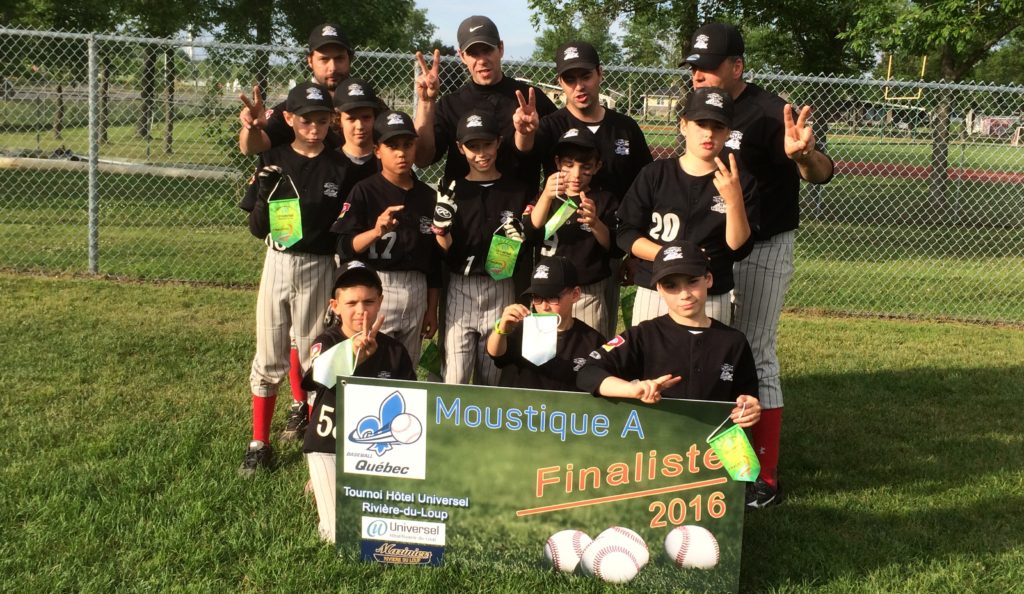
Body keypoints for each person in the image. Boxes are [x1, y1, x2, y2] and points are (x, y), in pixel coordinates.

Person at [683, 22, 835, 507]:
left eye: (708, 67)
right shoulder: (698, 110)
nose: (698, 75)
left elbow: (821, 173)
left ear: (737, 66)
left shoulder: (769, 113)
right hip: (711, 251)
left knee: (755, 352)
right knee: (710, 353)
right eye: (693, 67)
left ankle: (761, 475)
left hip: (763, 248)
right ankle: (711, 462)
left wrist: (804, 156)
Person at [237, 82, 352, 475]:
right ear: (288, 118)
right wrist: (263, 193)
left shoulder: (339, 165)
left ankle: (314, 438)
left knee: (312, 353)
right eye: (305, 120)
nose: (313, 127)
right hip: (278, 259)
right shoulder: (275, 157)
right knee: (269, 351)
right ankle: (259, 442)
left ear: (330, 120)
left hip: (319, 265)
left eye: (321, 120)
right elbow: (257, 227)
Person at [576, 241, 760, 429]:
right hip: (659, 440)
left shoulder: (733, 341)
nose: (684, 294)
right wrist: (633, 389)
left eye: (692, 281)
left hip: (713, 442)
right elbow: (588, 372)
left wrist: (750, 408)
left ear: (708, 279)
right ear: (659, 289)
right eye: (671, 286)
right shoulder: (644, 335)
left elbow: (748, 398)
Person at [616, 86, 757, 326]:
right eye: (701, 124)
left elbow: (738, 249)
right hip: (656, 288)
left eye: (718, 127)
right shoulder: (655, 174)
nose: (709, 133)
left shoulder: (740, 182)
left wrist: (734, 201)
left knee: (708, 350)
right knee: (650, 350)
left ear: (728, 133)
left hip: (710, 292)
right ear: (684, 125)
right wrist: (669, 255)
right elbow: (626, 233)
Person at [303, 261, 416, 543]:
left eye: (368, 301)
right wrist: (351, 355)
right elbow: (316, 378)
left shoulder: (395, 350)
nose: (360, 310)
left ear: (380, 302)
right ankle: (322, 481)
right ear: (335, 306)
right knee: (337, 535)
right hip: (329, 445)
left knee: (392, 526)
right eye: (351, 302)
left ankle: (334, 485)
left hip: (378, 452)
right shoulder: (327, 341)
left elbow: (412, 403)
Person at [333, 110, 441, 367]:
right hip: (379, 284)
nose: (401, 153)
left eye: (407, 145)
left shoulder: (427, 196)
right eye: (392, 146)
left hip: (417, 287)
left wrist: (432, 308)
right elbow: (345, 246)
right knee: (371, 362)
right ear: (377, 150)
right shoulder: (365, 190)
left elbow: (435, 261)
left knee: (406, 365)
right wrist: (375, 232)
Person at [433, 109, 532, 385]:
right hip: (461, 286)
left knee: (493, 374)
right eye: (472, 146)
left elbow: (525, 245)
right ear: (460, 148)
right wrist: (441, 230)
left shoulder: (516, 190)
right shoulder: (452, 189)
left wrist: (520, 239)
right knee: (456, 375)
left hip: (500, 283)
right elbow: (445, 250)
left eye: (487, 144)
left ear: (499, 142)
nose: (481, 153)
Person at [412, 15, 557, 190]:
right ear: (462, 56)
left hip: (520, 203)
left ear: (500, 49)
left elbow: (558, 155)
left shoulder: (530, 99)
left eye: (487, 50)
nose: (482, 60)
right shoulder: (450, 104)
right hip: (464, 202)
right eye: (473, 53)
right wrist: (426, 101)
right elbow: (422, 159)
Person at [516, 40, 652, 201]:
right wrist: (524, 133)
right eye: (570, 80)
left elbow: (647, 179)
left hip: (617, 216)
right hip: (563, 216)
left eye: (586, 76)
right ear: (560, 82)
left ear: (600, 73)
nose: (579, 86)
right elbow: (524, 150)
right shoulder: (551, 125)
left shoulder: (625, 127)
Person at [524, 126, 621, 336]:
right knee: (544, 350)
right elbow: (530, 232)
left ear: (597, 166)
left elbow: (615, 248)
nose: (576, 174)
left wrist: (595, 223)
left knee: (590, 347)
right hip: (547, 291)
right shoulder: (545, 197)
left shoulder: (604, 200)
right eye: (569, 165)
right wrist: (546, 197)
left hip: (587, 291)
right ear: (558, 163)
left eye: (586, 167)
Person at [488, 257, 604, 392]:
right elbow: (496, 355)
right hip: (524, 405)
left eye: (552, 297)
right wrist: (501, 329)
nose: (544, 306)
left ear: (575, 294)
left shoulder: (591, 340)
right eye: (537, 297)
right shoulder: (522, 329)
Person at [238, 23, 353, 156]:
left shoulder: (367, 104)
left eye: (339, 58)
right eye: (324, 59)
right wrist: (252, 129)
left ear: (349, 59)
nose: (332, 67)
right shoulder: (295, 106)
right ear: (310, 61)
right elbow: (251, 149)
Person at [332, 77, 385, 184]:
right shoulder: (329, 163)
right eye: (351, 118)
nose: (359, 126)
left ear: (375, 118)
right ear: (338, 120)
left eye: (366, 117)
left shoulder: (387, 162)